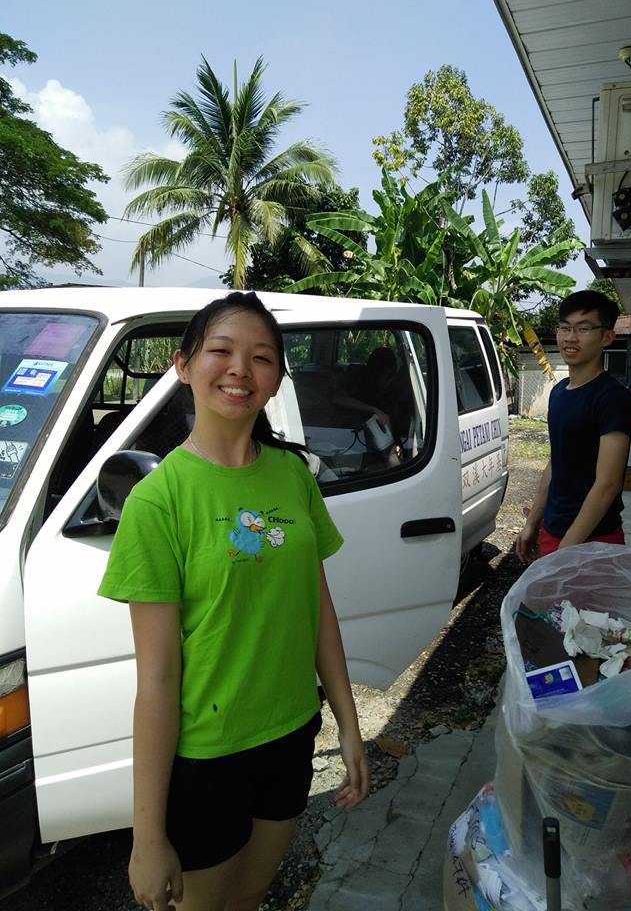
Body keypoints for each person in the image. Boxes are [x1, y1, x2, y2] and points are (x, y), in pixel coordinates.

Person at [98, 292, 368, 911]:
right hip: (207, 757)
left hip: (291, 733)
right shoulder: (157, 501)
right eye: (221, 351)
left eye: (262, 357)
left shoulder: (293, 474)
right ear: (183, 365)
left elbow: (319, 613)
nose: (240, 369)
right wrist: (147, 838)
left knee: (250, 895)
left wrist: (349, 725)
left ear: (277, 379)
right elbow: (157, 678)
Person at [515, 290, 631, 562]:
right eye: (565, 327)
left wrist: (567, 549)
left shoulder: (612, 398)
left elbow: (608, 483)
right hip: (554, 531)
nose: (570, 337)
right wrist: (533, 522)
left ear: (607, 337)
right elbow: (557, 461)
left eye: (583, 329)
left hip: (595, 540)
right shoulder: (559, 392)